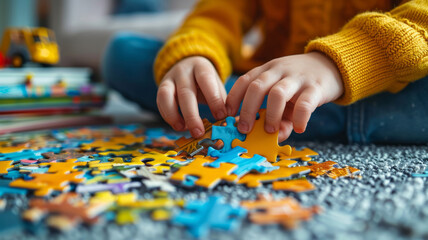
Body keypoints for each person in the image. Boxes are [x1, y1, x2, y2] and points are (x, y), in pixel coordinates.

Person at [103, 0, 428, 144]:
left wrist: (333, 65)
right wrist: (194, 56)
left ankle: (305, 117)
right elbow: (214, 17)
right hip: (266, 87)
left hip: (390, 86)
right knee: (123, 53)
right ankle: (268, 111)